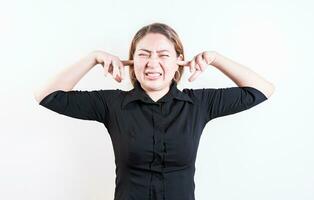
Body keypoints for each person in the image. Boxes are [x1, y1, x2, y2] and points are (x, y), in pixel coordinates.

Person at [33, 22, 275, 200]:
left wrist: (216, 58)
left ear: (179, 60)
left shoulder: (199, 103)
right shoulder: (112, 104)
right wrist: (93, 57)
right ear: (132, 61)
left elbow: (262, 89)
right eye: (143, 54)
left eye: (163, 55)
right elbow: (46, 95)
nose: (152, 63)